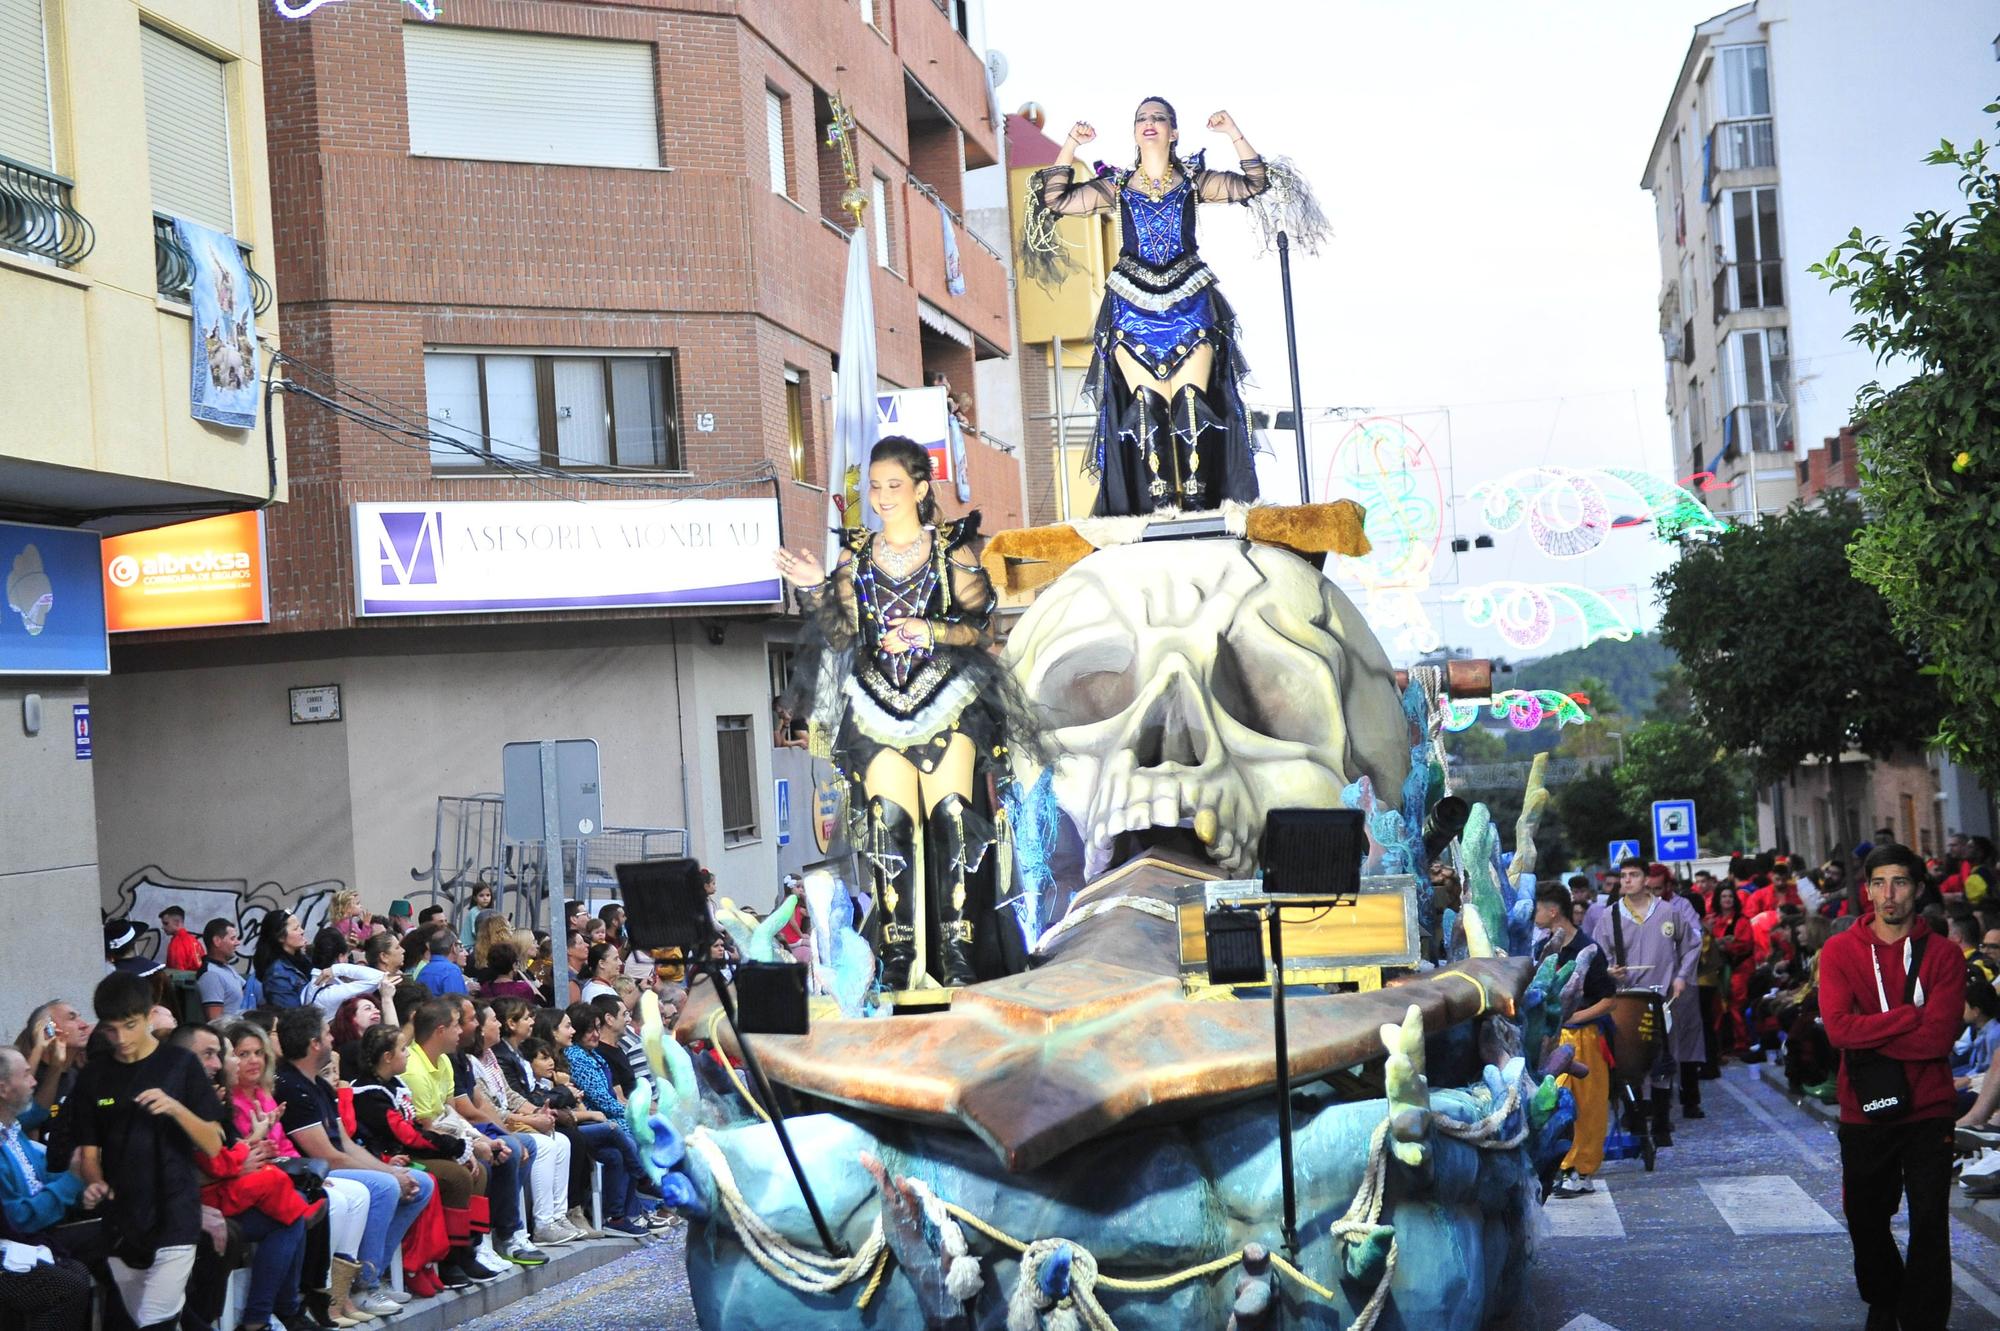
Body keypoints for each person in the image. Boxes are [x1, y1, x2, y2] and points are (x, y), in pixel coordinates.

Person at [775, 436, 1041, 991]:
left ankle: (960, 949)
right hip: (876, 703)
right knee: (886, 823)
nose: (882, 496)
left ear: (921, 489)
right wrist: (813, 590)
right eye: (874, 486)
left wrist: (930, 629)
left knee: (951, 815)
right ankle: (897, 954)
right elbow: (842, 634)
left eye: (894, 485)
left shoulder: (952, 550)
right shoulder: (856, 556)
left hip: (948, 697)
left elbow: (982, 628)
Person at [1024, 100, 1322, 516]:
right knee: (1145, 404)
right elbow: (1055, 200)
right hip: (1131, 304)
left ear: (1174, 132)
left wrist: (1233, 132)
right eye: (1141, 119)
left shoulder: (1192, 183)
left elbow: (1255, 182)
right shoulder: (1118, 186)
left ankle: (1200, 502)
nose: (1149, 124)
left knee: (1190, 399)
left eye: (1158, 118)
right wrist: (1071, 144)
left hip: (1189, 301)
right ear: (1134, 133)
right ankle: (1161, 504)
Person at [1821, 843, 1965, 1331]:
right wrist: (1906, 1018)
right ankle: (1884, 1296)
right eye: (1879, 883)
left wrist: (1873, 1035)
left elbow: (1939, 1037)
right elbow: (1838, 1031)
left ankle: (1925, 1319)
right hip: (1863, 1108)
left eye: (1900, 882)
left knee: (1929, 1218)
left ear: (1918, 890)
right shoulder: (1840, 950)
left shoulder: (1944, 954)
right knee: (1865, 1215)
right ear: (1866, 891)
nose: (1889, 894)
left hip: (1929, 1107)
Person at [65, 970, 226, 1330]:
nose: (120, 1038)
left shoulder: (180, 1065)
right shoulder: (94, 1076)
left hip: (175, 1212)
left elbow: (214, 1142)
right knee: (149, 1319)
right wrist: (94, 1183)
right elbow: (89, 1154)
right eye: (110, 1029)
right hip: (122, 1219)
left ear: (151, 1014)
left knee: (154, 1321)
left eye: (130, 1025)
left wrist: (175, 1108)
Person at [273, 1006, 430, 1319]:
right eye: (327, 1033)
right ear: (314, 1043)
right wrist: (389, 1175)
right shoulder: (291, 1086)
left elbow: (344, 1143)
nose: (333, 1038)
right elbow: (326, 1155)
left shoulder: (317, 1084)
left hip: (336, 1163)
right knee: (385, 1186)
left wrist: (392, 1170)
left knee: (420, 1182)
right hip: (315, 1172)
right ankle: (364, 1286)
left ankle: (371, 1273)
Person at [346, 1023, 505, 1291]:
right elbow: (406, 1135)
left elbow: (416, 1128)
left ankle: (469, 1250)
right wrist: (457, 1147)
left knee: (479, 1172)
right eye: (402, 1049)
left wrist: (463, 1147)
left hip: (408, 1151)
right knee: (455, 1176)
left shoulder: (393, 1083)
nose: (408, 1053)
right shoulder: (368, 1092)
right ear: (387, 1057)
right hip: (388, 1155)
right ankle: (448, 1259)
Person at [1582, 858, 1705, 1142]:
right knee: (1629, 1058)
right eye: (1623, 876)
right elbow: (1597, 956)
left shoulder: (1669, 913)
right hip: (1625, 998)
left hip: (1662, 998)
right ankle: (1637, 1120)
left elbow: (1692, 946)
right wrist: (1609, 970)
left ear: (1646, 879)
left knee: (1663, 1057)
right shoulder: (1609, 916)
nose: (1627, 880)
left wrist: (1682, 976)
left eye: (1634, 875)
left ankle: (1662, 1123)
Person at [1532, 885, 1617, 1197]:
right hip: (1552, 1039)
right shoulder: (1545, 947)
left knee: (1587, 1105)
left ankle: (1581, 1170)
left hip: (1585, 1037)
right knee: (1553, 1104)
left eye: (1538, 908)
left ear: (1553, 911)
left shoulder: (1588, 949)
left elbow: (1609, 1000)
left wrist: (1573, 1018)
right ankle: (1561, 1164)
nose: (1534, 914)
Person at [252, 909, 314, 1010]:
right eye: (296, 929)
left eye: (300, 927)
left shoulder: (302, 960)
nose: (302, 931)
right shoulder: (277, 974)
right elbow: (291, 1015)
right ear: (280, 937)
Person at [194, 918, 247, 1023]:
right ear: (217, 941)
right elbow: (216, 1023)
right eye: (233, 939)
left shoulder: (226, 969)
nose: (238, 943)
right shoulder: (211, 975)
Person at [412, 928, 470, 996]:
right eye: (460, 946)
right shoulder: (451, 970)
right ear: (454, 947)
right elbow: (457, 1002)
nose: (466, 953)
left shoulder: (424, 970)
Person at [157, 906, 204, 973]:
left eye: (166, 923)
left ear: (177, 923)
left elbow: (177, 974)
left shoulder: (177, 943)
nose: (162, 927)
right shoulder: (194, 940)